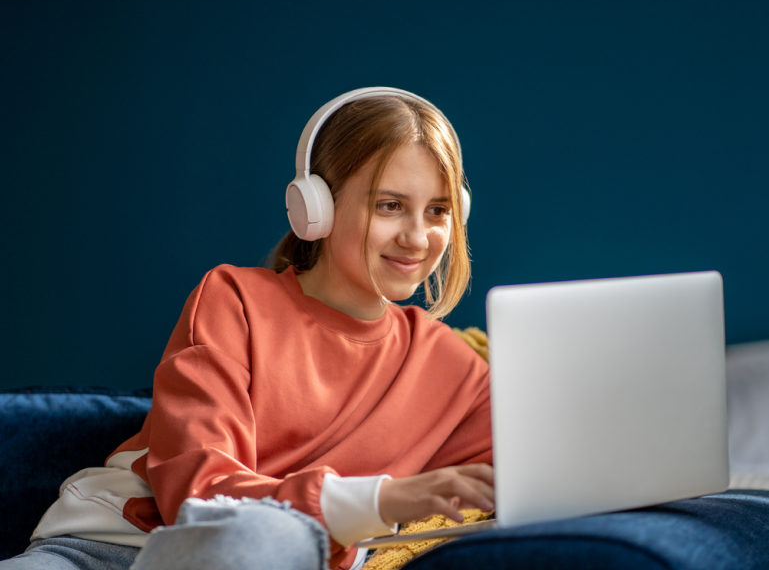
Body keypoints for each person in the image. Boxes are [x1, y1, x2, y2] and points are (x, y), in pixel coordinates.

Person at [2, 87, 493, 570]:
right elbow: (201, 498)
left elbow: (541, 474)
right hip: (111, 549)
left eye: (438, 211)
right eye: (389, 205)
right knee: (267, 533)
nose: (416, 237)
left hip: (291, 558)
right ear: (315, 207)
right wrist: (378, 502)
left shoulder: (455, 370)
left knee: (281, 540)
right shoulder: (233, 300)